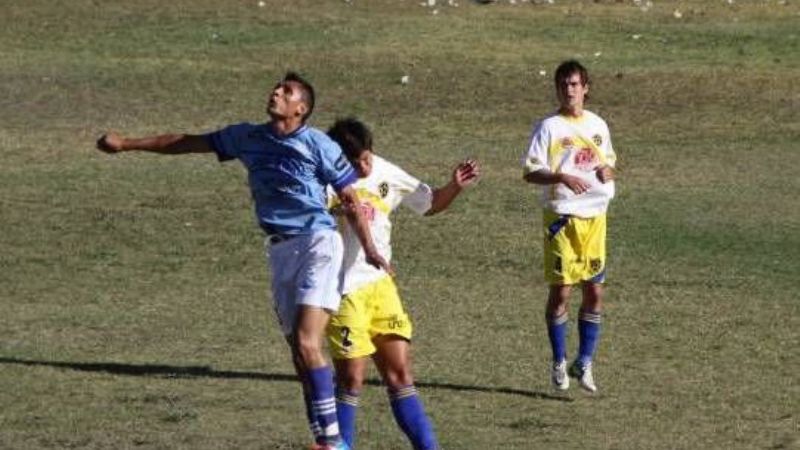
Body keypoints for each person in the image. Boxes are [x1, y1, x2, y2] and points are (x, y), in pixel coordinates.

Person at [96, 72, 391, 450]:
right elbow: (186, 142)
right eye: (277, 88)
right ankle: (325, 440)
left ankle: (334, 443)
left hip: (318, 244)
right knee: (299, 357)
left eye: (286, 91)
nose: (276, 92)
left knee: (307, 342)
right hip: (280, 250)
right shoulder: (247, 137)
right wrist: (127, 144)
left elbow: (350, 198)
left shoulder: (318, 144)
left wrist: (369, 248)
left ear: (301, 109)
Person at [324, 118, 479, 449]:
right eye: (355, 163)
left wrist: (454, 186)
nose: (365, 168)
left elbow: (429, 203)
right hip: (342, 292)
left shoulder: (385, 172)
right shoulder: (324, 182)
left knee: (400, 374)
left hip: (381, 288)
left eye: (367, 158)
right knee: (351, 379)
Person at [521, 60, 616, 393]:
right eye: (563, 85)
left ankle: (584, 361)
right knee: (561, 290)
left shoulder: (598, 125)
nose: (569, 90)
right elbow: (530, 173)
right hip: (562, 219)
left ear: (585, 88)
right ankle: (559, 359)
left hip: (595, 219)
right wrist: (561, 177)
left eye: (574, 84)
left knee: (594, 291)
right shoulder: (548, 128)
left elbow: (608, 162)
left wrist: (608, 172)